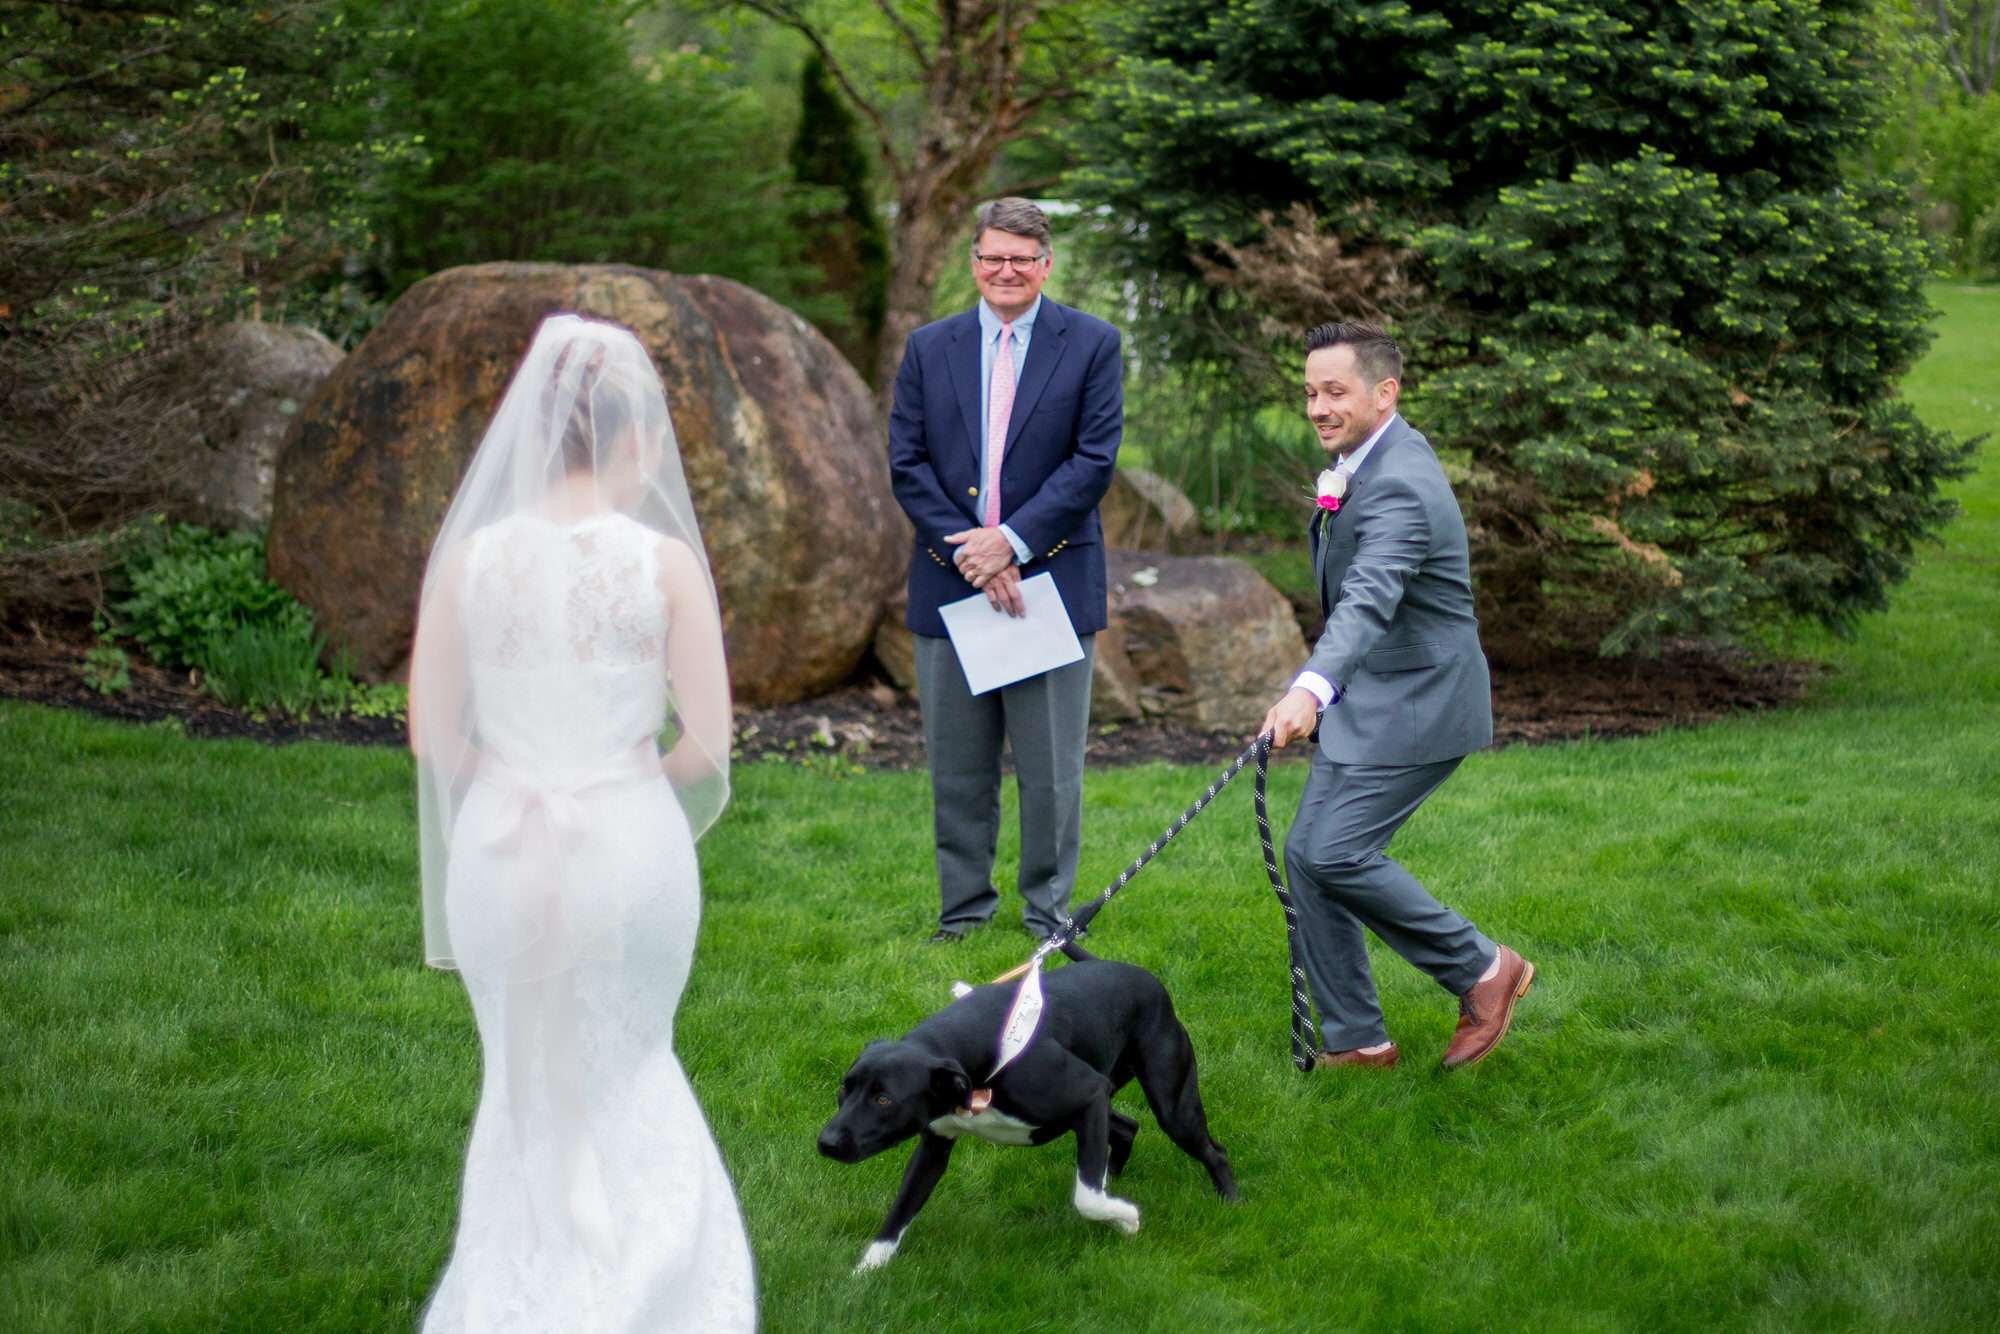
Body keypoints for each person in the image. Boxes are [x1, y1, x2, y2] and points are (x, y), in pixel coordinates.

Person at [408, 315, 756, 1331]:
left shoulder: (469, 561)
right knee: (631, 1058)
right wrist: (623, 783)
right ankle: (646, 1289)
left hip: (496, 850)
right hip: (628, 849)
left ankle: (516, 1288)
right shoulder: (662, 565)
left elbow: (432, 734)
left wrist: (510, 780)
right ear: (635, 439)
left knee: (517, 1070)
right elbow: (707, 743)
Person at [1259, 320, 1535, 1072]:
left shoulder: (1401, 483)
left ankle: (1484, 969)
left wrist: (1310, 688)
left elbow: (1368, 598)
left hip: (1421, 701)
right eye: (1310, 392)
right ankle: (1356, 1040)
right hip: (1378, 693)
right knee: (1309, 855)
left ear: (1385, 392)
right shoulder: (1366, 460)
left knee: (1333, 850)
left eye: (1334, 391)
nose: (1318, 407)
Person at [887, 197, 1123, 945]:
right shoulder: (929, 347)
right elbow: (907, 463)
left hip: (1050, 581)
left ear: (1045, 265)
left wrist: (1012, 544)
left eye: (1021, 259)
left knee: (1051, 771)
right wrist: (975, 552)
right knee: (958, 768)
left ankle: (1048, 917)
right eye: (993, 257)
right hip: (950, 578)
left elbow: (1093, 461)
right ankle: (962, 914)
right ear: (974, 262)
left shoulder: (1092, 343)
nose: (1006, 270)